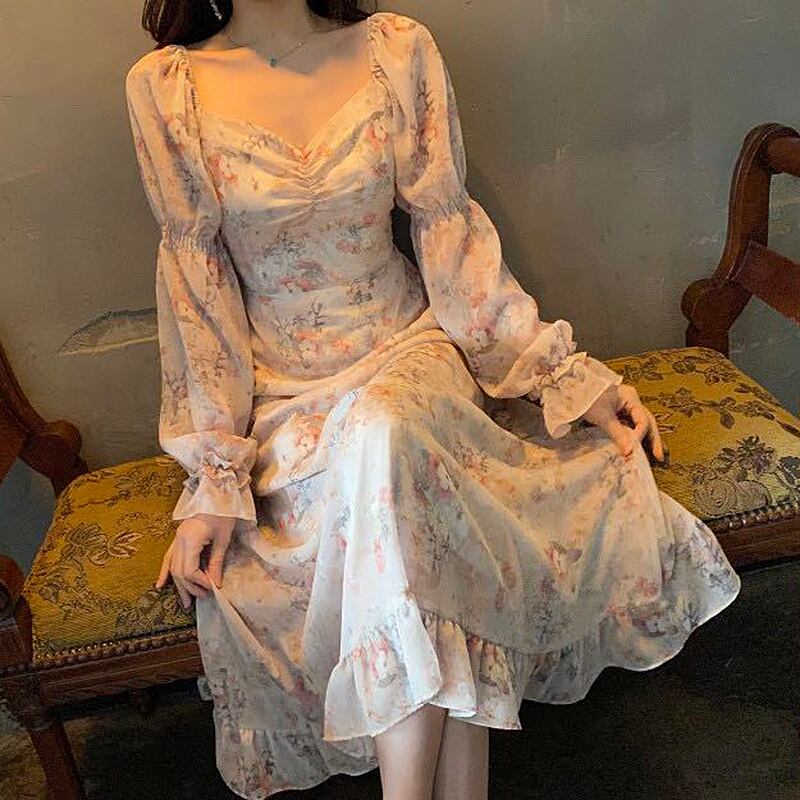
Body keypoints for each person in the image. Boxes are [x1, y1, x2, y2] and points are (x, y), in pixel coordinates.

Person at [124, 2, 742, 798]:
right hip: (288, 399)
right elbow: (197, 293)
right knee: (399, 510)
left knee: (385, 434)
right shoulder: (167, 89)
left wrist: (559, 375)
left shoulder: (396, 49)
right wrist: (214, 475)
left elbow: (451, 240)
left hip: (411, 355)